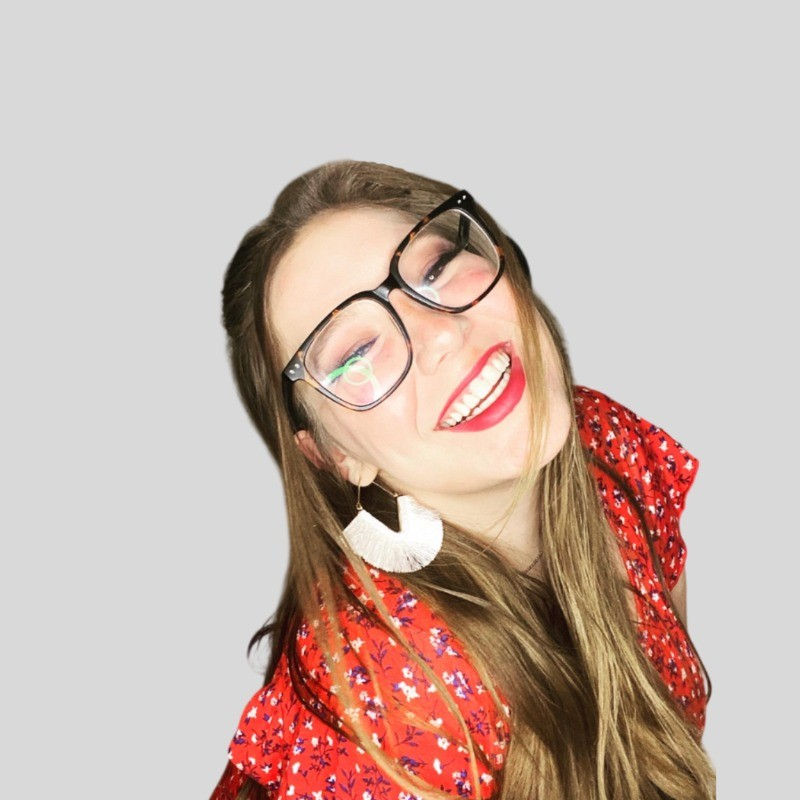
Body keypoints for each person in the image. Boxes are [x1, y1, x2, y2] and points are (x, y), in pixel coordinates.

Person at [209, 160, 715, 800]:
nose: (442, 332)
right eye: (357, 353)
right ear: (334, 456)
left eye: (436, 268)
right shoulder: (382, 708)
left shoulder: (612, 450)